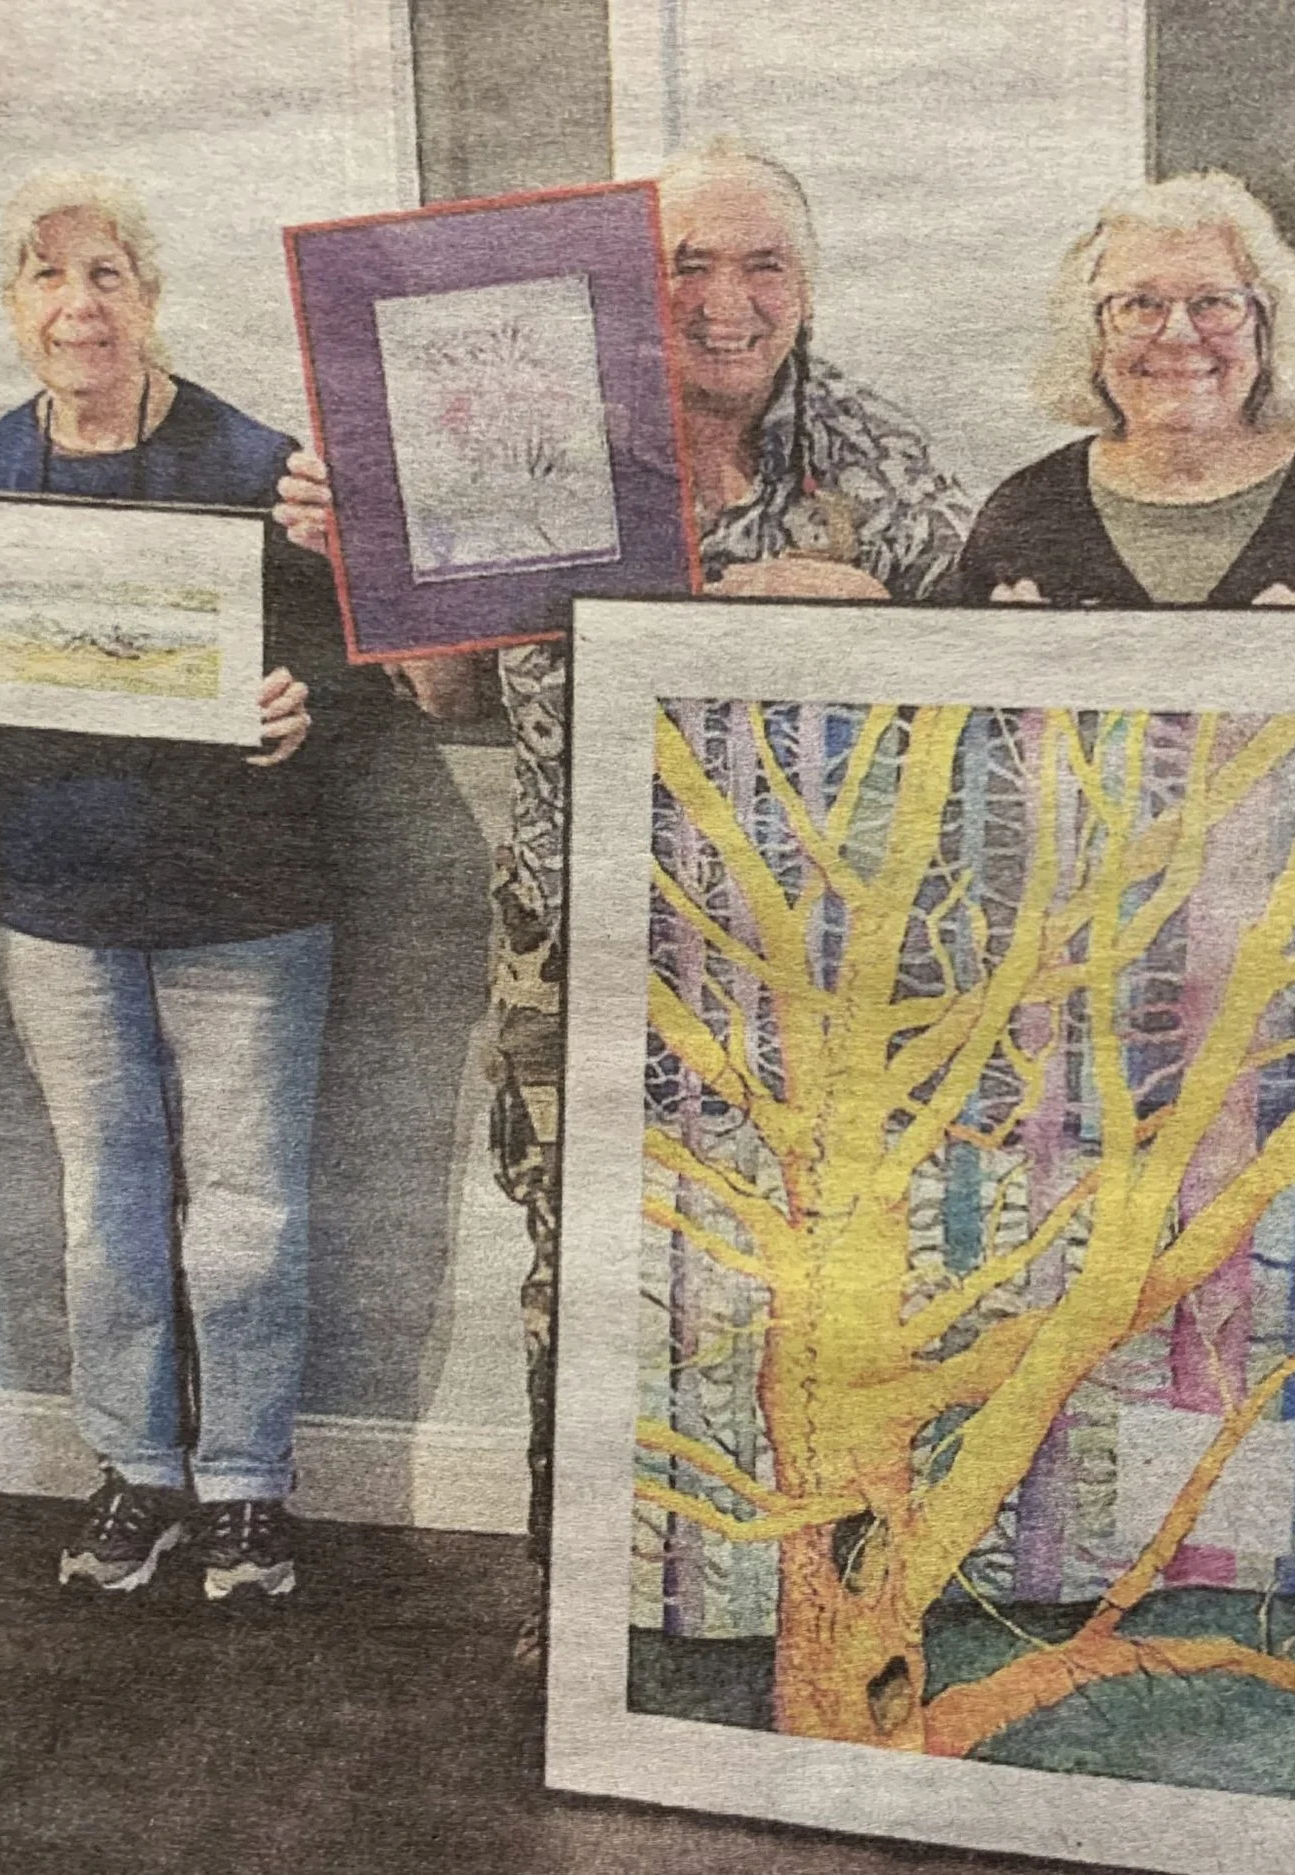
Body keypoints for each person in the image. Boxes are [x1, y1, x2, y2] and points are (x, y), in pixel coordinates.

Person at [274, 139, 976, 1648]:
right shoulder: (527, 432)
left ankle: (817, 1602)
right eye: (688, 262)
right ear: (624, 280)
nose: (728, 301)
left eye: (764, 262)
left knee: (825, 1276)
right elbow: (457, 695)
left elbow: (981, 707)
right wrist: (373, 561)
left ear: (811, 281)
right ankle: (580, 1599)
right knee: (586, 1267)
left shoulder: (885, 461)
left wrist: (835, 609)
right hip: (581, 936)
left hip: (814, 961)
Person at [0, 174, 409, 1603]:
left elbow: (368, 660)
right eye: (49, 279)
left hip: (247, 896)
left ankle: (245, 1483)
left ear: (149, 297)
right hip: (58, 899)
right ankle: (133, 1470)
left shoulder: (258, 461)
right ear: (16, 309)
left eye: (106, 275)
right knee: (105, 1197)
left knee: (248, 1203)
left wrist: (320, 701)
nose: (79, 306)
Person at [953, 170, 1295, 612]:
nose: (1177, 334)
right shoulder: (1025, 511)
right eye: (1139, 304)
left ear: (1270, 327)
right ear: (1091, 334)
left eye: (1214, 302)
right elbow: (945, 717)